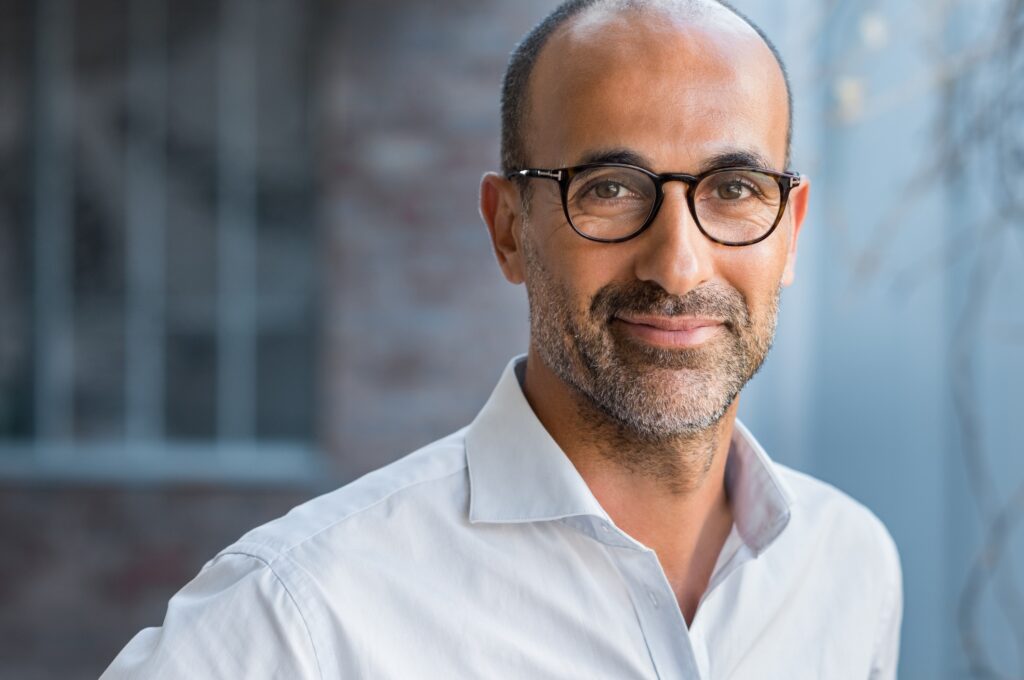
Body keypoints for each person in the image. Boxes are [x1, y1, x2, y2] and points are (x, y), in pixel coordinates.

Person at [103, 0, 902, 678]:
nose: (678, 264)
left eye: (734, 190)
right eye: (612, 190)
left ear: (789, 234)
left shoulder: (846, 567)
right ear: (509, 229)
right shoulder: (299, 618)